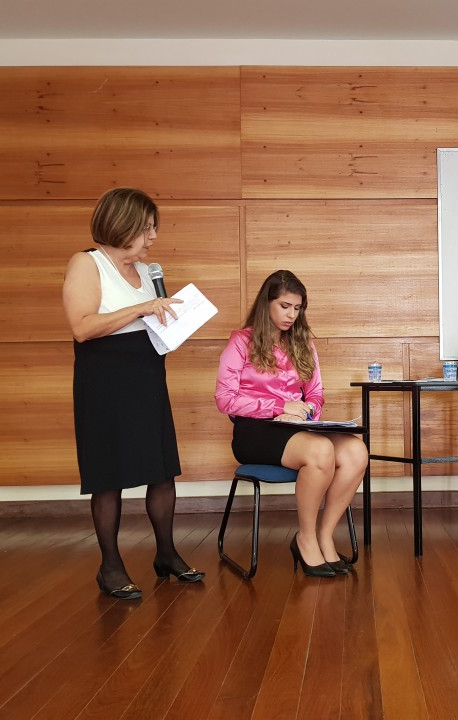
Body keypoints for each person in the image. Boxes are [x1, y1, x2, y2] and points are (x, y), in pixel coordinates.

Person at [63, 187, 204, 600]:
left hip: (147, 377)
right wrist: (141, 309)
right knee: (109, 476)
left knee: (162, 470)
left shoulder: (148, 272)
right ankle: (109, 567)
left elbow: (153, 325)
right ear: (121, 225)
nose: (153, 237)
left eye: (154, 228)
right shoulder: (87, 263)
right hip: (105, 382)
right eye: (146, 229)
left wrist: (175, 323)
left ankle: (167, 554)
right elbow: (82, 327)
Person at [215, 270, 368, 578]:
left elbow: (316, 394)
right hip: (254, 432)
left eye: (297, 308)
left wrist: (307, 410)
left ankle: (325, 536)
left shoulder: (303, 343)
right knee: (321, 451)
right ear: (266, 303)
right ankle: (305, 539)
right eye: (285, 306)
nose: (291, 315)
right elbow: (225, 399)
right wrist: (279, 407)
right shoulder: (241, 341)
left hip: (297, 429)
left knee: (356, 451)